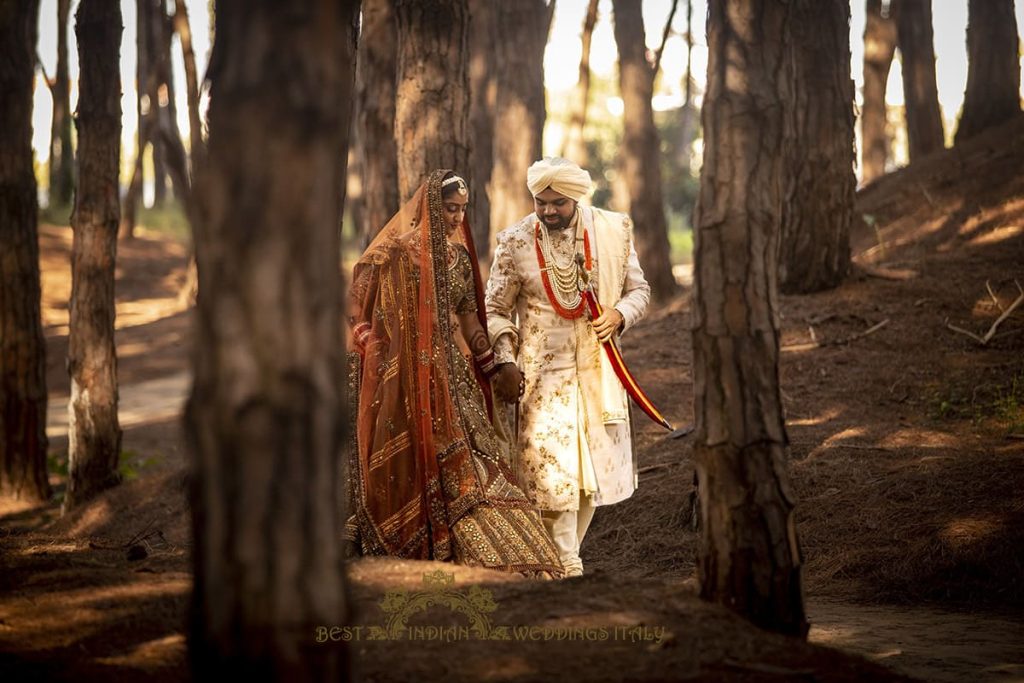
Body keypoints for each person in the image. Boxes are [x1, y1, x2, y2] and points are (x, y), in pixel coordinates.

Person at [347, 169, 563, 579]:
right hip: (399, 379)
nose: (455, 219)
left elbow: (469, 323)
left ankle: (498, 551)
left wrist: (493, 365)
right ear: (429, 206)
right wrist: (373, 348)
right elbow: (356, 307)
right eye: (449, 209)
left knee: (480, 455)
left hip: (449, 376)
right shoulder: (393, 254)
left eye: (462, 211)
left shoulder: (459, 258)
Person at [484, 157, 651, 577]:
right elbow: (496, 311)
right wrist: (505, 360)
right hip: (542, 378)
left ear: (576, 197)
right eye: (541, 202)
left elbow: (640, 291)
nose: (548, 211)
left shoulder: (613, 231)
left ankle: (551, 564)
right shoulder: (516, 241)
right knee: (551, 478)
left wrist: (619, 314)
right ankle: (569, 567)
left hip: (600, 372)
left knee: (589, 479)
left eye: (557, 203)